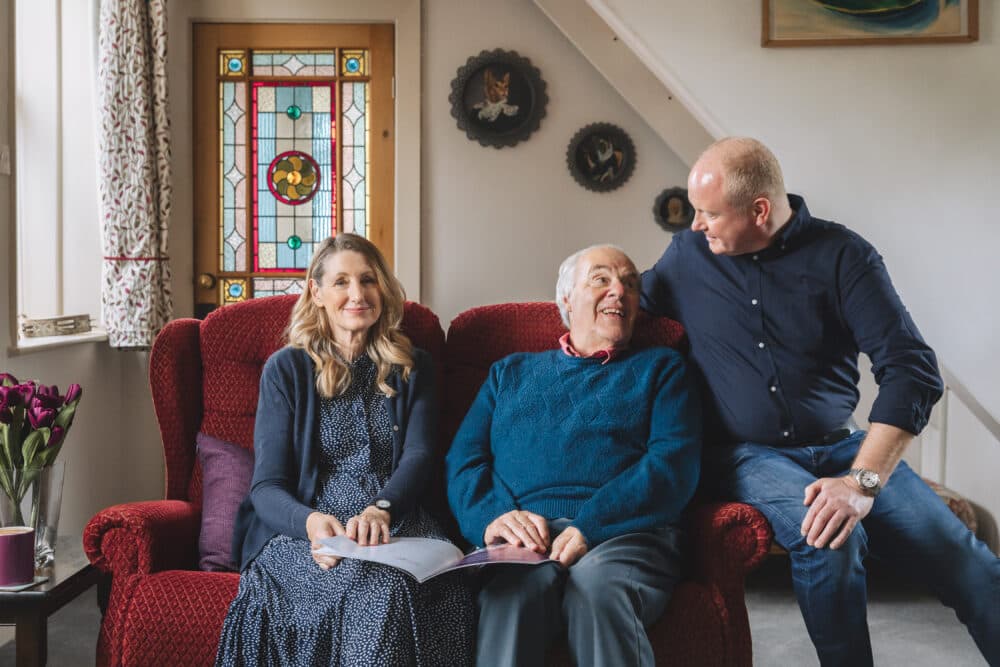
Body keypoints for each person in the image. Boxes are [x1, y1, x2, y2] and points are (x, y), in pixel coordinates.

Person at [641, 136, 1000, 666]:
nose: (695, 225)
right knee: (829, 537)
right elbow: (626, 317)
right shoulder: (688, 256)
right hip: (745, 454)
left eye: (709, 213)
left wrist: (862, 482)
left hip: (845, 448)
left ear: (759, 210)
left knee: (972, 565)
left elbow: (911, 369)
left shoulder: (844, 256)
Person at [216, 234, 474, 667]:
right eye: (341, 282)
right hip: (308, 527)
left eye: (368, 280)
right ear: (316, 292)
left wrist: (381, 509)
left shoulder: (415, 366)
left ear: (383, 289)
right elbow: (267, 487)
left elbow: (420, 455)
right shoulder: (286, 369)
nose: (357, 294)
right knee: (374, 590)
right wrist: (313, 524)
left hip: (399, 516)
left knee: (428, 588)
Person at [446, 245, 701, 667]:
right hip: (526, 538)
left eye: (630, 283)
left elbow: (672, 465)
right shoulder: (509, 373)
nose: (619, 290)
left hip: (628, 534)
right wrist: (494, 517)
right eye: (601, 279)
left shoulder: (663, 369)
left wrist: (590, 525)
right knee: (510, 595)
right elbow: (464, 460)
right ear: (566, 299)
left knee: (597, 588)